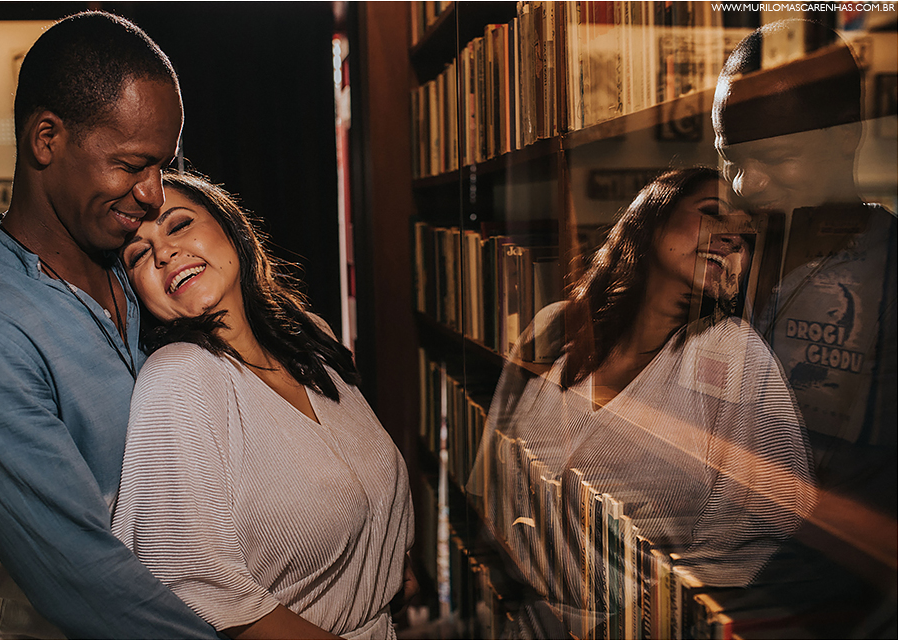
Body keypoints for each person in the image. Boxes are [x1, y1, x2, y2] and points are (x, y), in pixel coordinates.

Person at [0, 12, 221, 639]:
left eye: (162, 166)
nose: (153, 194)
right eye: (131, 164)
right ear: (46, 139)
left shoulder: (133, 261)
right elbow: (85, 585)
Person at [468, 168, 816, 635]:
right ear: (650, 221)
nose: (732, 239)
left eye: (746, 237)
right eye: (711, 214)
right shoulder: (556, 329)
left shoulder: (732, 354)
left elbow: (762, 538)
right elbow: (490, 479)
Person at [110, 170, 416, 640]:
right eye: (138, 254)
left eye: (178, 225)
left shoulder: (310, 338)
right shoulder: (179, 377)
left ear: (228, 226)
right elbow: (189, 582)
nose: (165, 253)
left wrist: (382, 570)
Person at [713, 21, 896, 511]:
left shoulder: (891, 268)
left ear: (847, 136)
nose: (745, 185)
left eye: (776, 155)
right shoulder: (724, 257)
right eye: (730, 160)